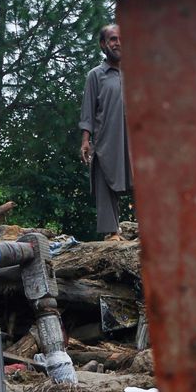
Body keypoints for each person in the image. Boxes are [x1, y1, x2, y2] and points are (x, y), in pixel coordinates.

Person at [79, 24, 132, 241]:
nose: (117, 42)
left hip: (133, 141)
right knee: (104, 178)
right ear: (103, 44)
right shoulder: (96, 75)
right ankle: (112, 232)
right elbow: (88, 111)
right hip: (106, 139)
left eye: (121, 38)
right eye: (112, 39)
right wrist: (85, 141)